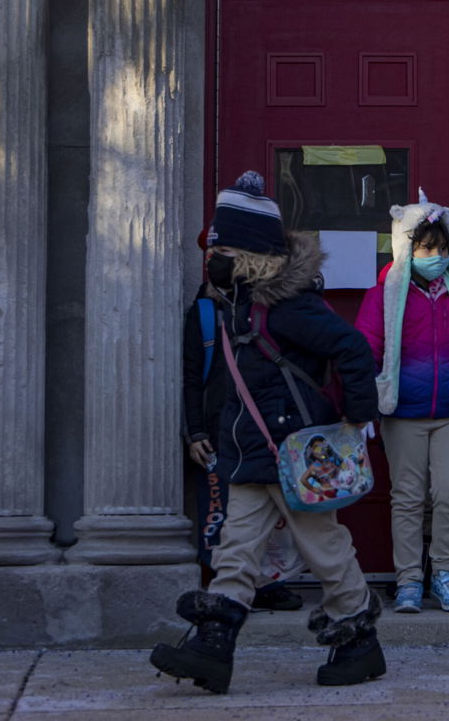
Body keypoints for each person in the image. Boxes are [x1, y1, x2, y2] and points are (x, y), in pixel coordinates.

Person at [151, 172, 384, 693]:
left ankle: (359, 644)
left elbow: (350, 348)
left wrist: (357, 418)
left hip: (295, 453)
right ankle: (213, 649)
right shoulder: (235, 306)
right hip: (250, 453)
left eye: (223, 247)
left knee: (323, 546)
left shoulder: (288, 306)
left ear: (252, 253)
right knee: (235, 549)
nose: (213, 256)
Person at [355, 191, 449, 613]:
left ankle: (446, 574)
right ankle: (409, 580)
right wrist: (364, 407)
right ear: (406, 249)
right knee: (407, 497)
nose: (433, 256)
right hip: (402, 414)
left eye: (439, 248)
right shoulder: (383, 296)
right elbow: (365, 354)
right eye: (423, 248)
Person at [183, 230, 305, 612]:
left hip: (266, 429)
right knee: (222, 513)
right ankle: (226, 584)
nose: (212, 260)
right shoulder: (204, 313)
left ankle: (269, 582)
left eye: (222, 252)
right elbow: (190, 376)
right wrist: (195, 431)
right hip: (219, 432)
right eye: (209, 253)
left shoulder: (266, 308)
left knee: (273, 514)